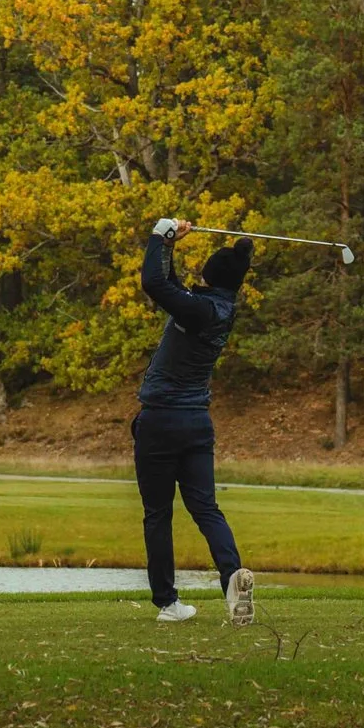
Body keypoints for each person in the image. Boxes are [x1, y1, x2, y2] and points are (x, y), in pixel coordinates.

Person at [132, 216, 255, 625]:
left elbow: (153, 284)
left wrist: (159, 234)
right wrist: (169, 245)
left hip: (161, 422)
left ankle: (168, 603)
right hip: (197, 423)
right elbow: (169, 285)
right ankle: (233, 580)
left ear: (212, 275)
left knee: (157, 513)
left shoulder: (201, 310)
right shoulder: (220, 307)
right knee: (205, 508)